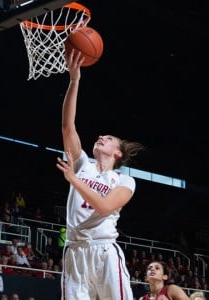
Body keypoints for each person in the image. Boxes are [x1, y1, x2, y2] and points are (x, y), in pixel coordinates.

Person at [55, 49, 145, 300]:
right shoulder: (82, 163)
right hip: (74, 252)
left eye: (107, 138)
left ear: (117, 153)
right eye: (99, 136)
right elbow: (67, 126)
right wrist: (75, 80)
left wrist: (74, 180)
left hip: (103, 250)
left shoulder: (125, 180)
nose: (100, 138)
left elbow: (105, 207)